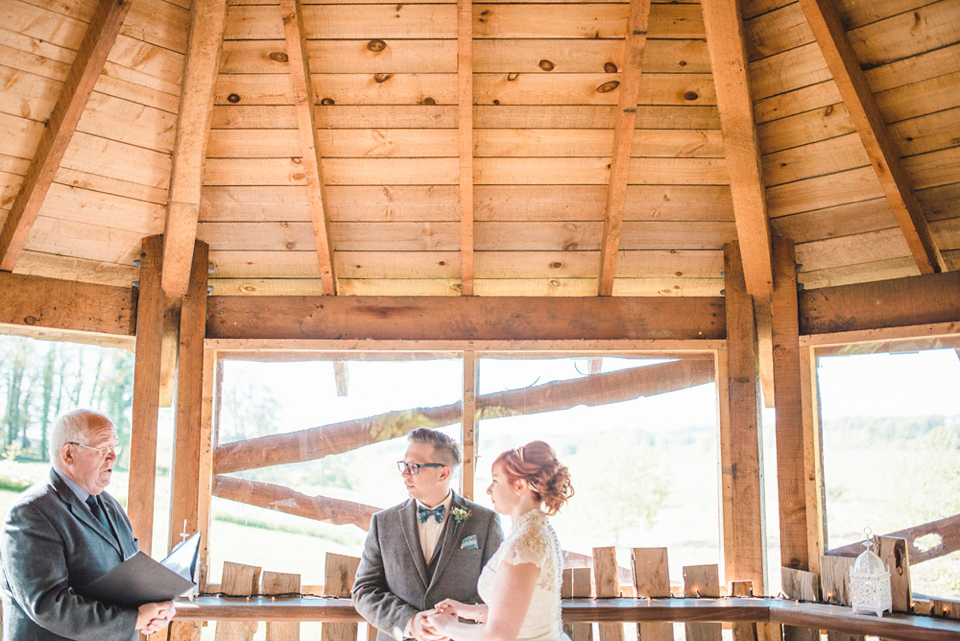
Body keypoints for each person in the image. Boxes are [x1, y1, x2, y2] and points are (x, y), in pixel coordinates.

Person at [0, 409, 176, 640]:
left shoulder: (109, 505)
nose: (113, 457)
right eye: (103, 449)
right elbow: (49, 605)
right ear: (68, 454)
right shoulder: (31, 512)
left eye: (115, 448)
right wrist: (134, 619)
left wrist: (156, 609)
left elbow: (128, 578)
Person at [353, 428, 504, 641]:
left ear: (443, 473)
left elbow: (500, 594)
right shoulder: (383, 523)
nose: (405, 474)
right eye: (404, 466)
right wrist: (409, 622)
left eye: (414, 467)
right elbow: (364, 590)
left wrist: (455, 626)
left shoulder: (484, 521)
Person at [427, 441, 574, 641]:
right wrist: (465, 610)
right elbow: (517, 613)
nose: (489, 489)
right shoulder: (537, 531)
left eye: (495, 481)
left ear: (520, 486)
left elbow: (499, 635)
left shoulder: (525, 545)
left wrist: (448, 627)